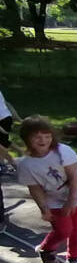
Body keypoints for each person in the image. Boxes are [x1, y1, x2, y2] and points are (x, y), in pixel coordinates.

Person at [16, 116, 77, 263]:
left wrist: (71, 201)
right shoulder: (26, 164)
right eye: (37, 136)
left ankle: (74, 260)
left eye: (47, 136)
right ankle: (46, 249)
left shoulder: (63, 151)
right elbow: (35, 188)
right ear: (27, 138)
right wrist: (43, 208)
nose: (43, 140)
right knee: (63, 230)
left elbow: (74, 178)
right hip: (53, 198)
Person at [0, 86, 20, 233]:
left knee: (2, 143)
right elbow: (8, 103)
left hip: (2, 119)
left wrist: (16, 116)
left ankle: (10, 163)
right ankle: (10, 162)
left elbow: (6, 104)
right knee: (3, 143)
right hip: (4, 118)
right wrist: (16, 116)